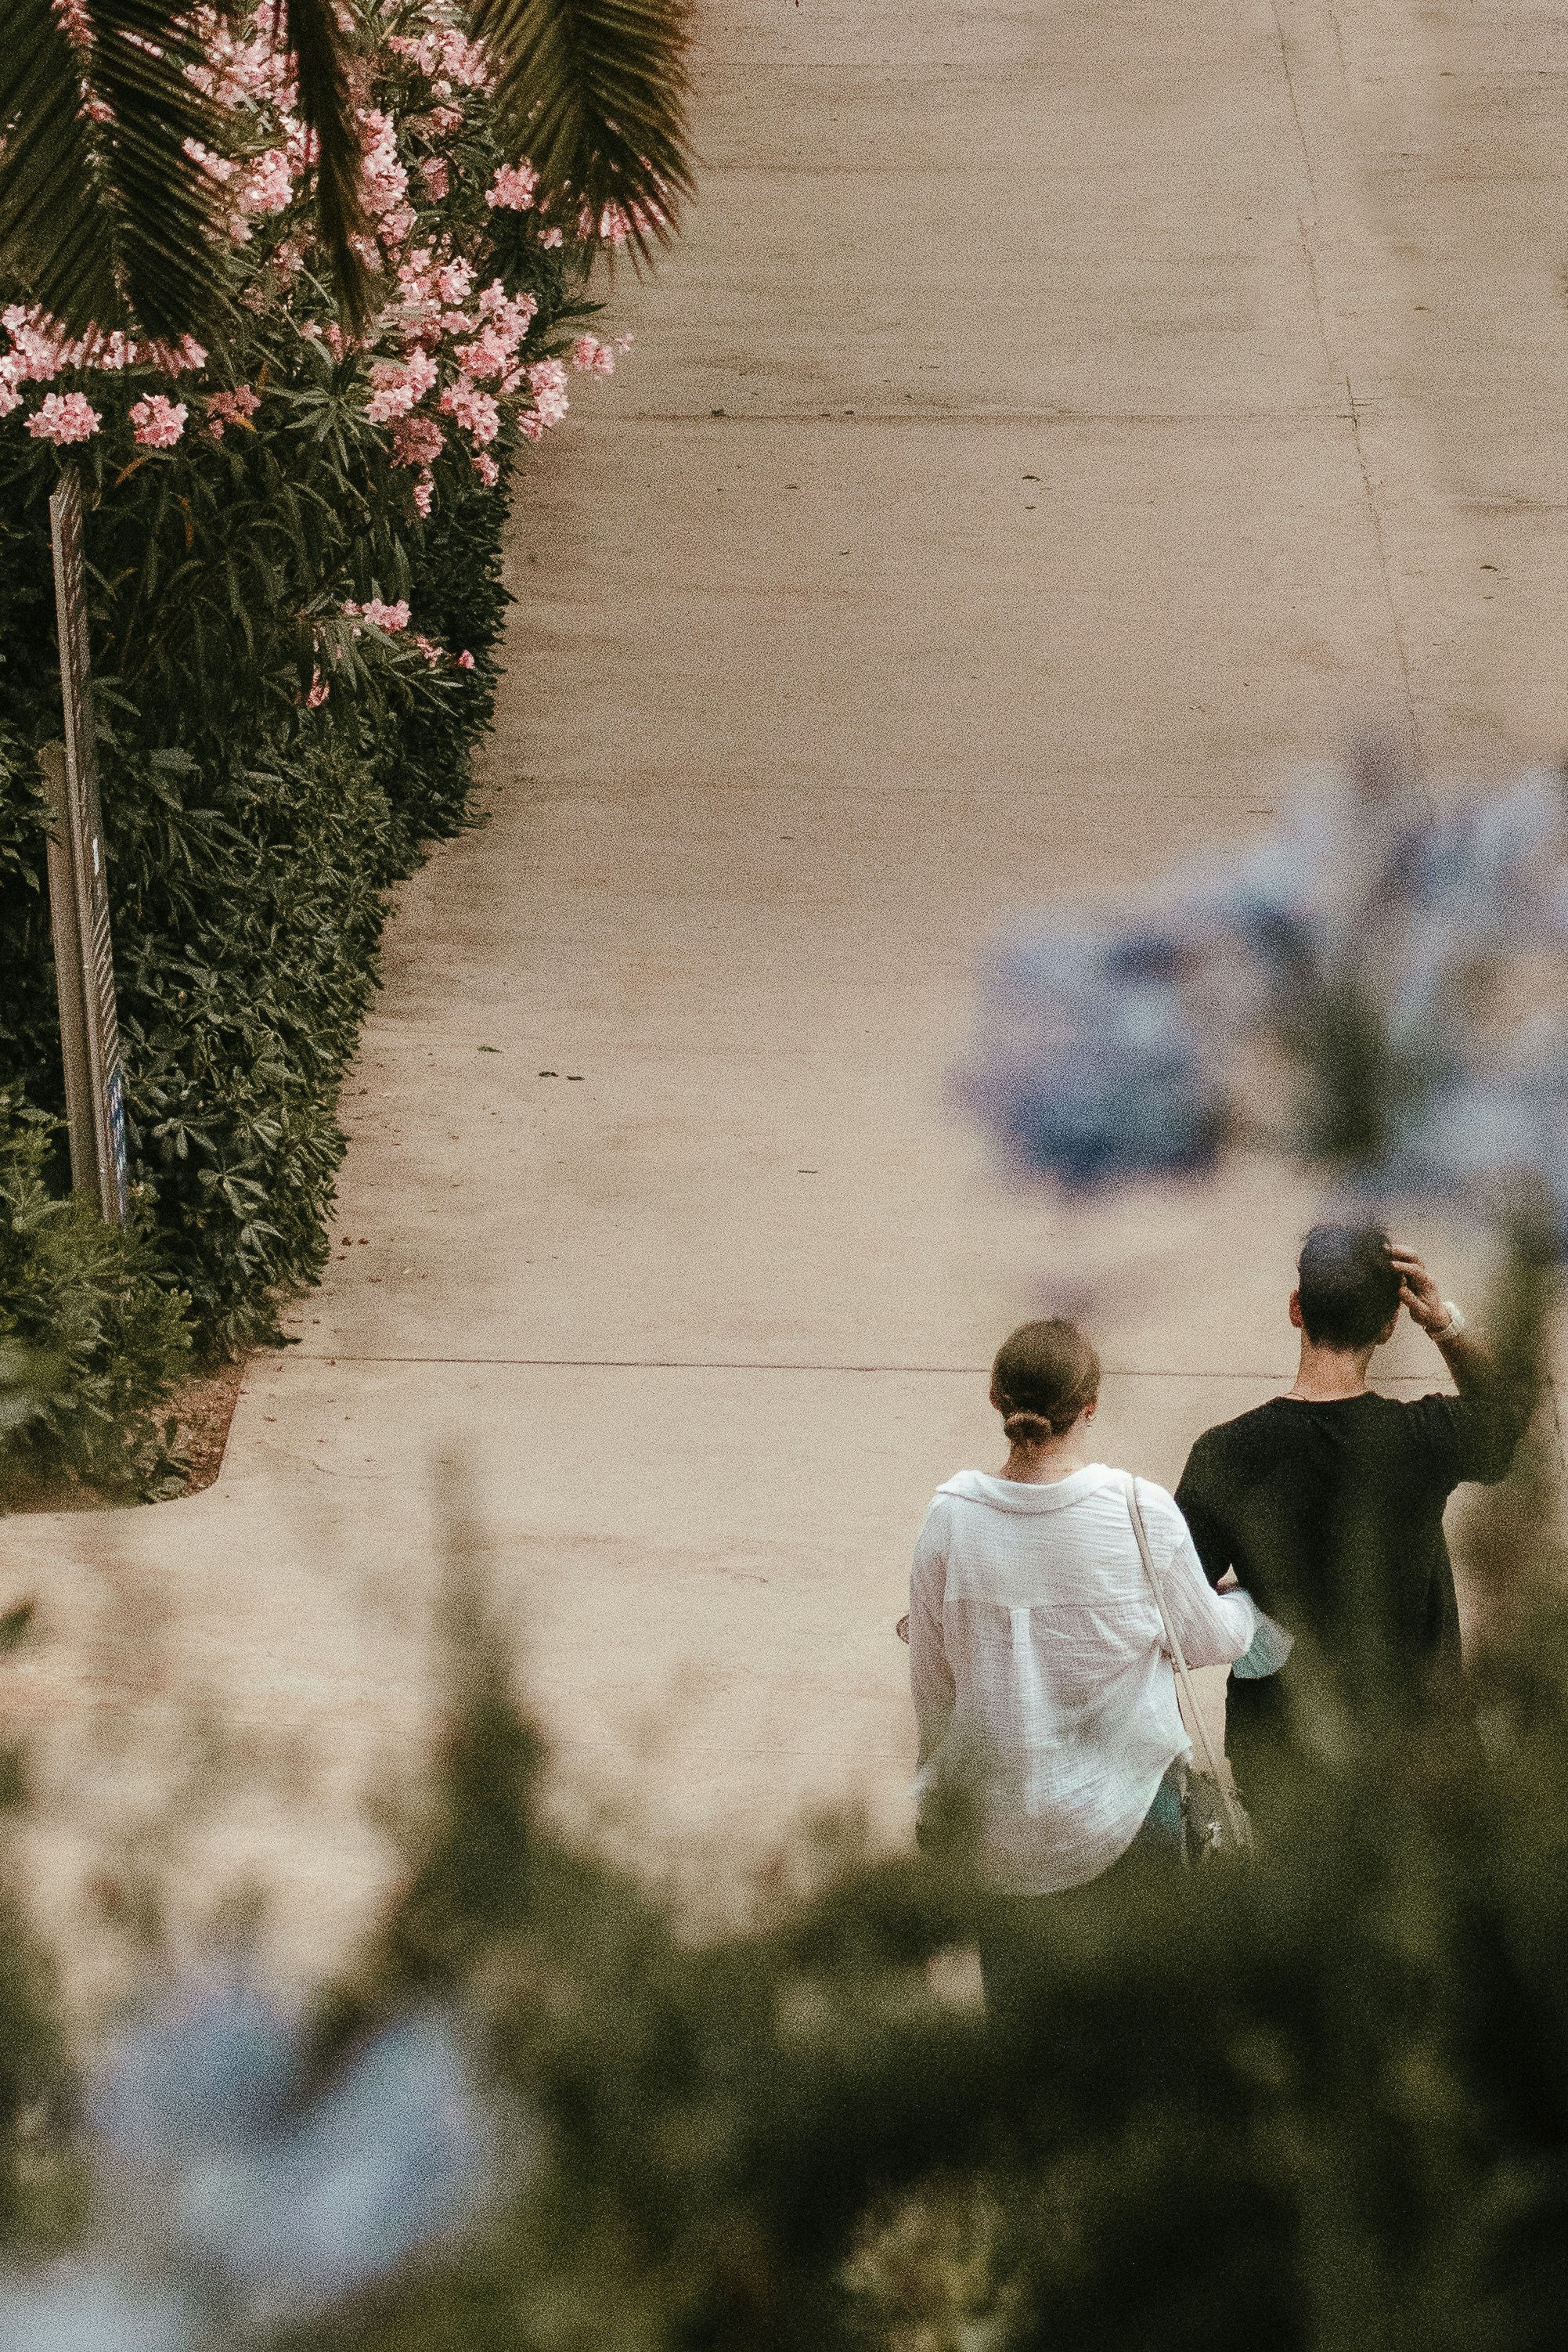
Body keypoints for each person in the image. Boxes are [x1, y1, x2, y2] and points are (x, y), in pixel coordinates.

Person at [907, 1319, 1266, 1946]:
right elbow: (1208, 1641)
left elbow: (934, 1688)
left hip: (1000, 1837)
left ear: (995, 1398)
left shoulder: (950, 1519)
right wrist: (1242, 1604)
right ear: (1090, 1409)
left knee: (1021, 2039)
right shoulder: (1138, 1510)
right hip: (1127, 1819)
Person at [1173, 1225, 1533, 1771]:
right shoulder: (1420, 1438)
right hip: (1415, 1754)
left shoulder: (1224, 1452)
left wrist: (1239, 1603)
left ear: (1296, 1308)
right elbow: (1506, 1415)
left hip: (1282, 1763)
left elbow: (1176, 1609)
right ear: (1390, 1326)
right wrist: (1443, 1324)